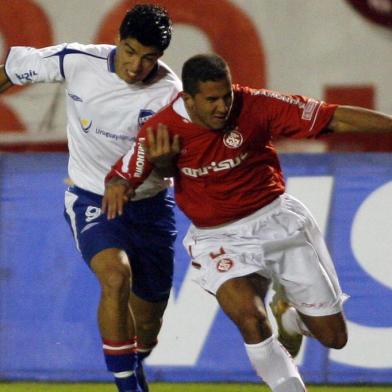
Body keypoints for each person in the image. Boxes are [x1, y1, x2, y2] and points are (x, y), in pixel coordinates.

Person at [103, 53, 392, 391]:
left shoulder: (256, 105)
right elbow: (123, 175)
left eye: (226, 95)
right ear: (187, 99)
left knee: (335, 337)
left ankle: (291, 315)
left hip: (277, 222)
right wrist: (119, 188)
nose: (222, 106)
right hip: (219, 238)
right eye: (211, 99)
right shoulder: (162, 130)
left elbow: (334, 118)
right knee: (251, 319)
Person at [0, 4, 182, 392]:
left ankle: (133, 363)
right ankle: (129, 388)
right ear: (117, 39)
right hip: (91, 197)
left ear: (160, 57)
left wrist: (164, 159)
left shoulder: (170, 94)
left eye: (148, 58)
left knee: (147, 330)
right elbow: (9, 73)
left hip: (150, 207)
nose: (136, 66)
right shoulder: (77, 61)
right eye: (131, 51)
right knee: (116, 278)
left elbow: (168, 170)